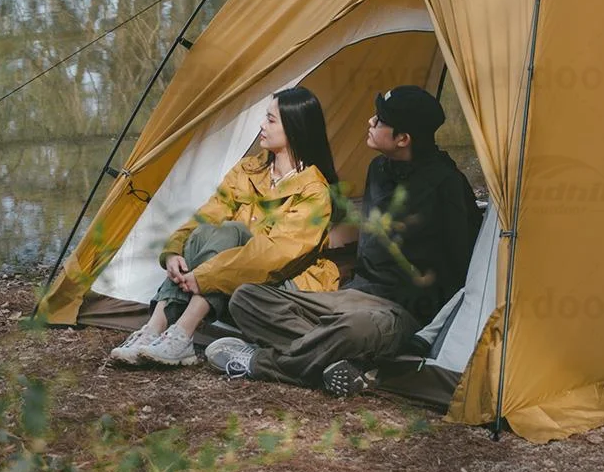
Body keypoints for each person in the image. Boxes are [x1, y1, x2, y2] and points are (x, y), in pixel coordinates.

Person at [206, 85, 482, 396]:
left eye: (379, 121)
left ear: (403, 139)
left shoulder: (448, 186)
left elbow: (465, 271)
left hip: (399, 311)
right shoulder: (378, 169)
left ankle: (263, 363)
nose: (369, 122)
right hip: (352, 295)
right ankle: (339, 361)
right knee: (247, 299)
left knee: (352, 330)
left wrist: (425, 332)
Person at [108, 86, 340, 367]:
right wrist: (172, 252)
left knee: (233, 233)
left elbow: (274, 255)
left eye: (270, 119)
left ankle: (182, 333)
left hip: (284, 286)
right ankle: (154, 329)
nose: (261, 125)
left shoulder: (314, 190)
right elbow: (207, 216)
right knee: (209, 231)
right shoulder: (248, 170)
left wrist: (207, 275)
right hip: (233, 277)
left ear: (293, 127)